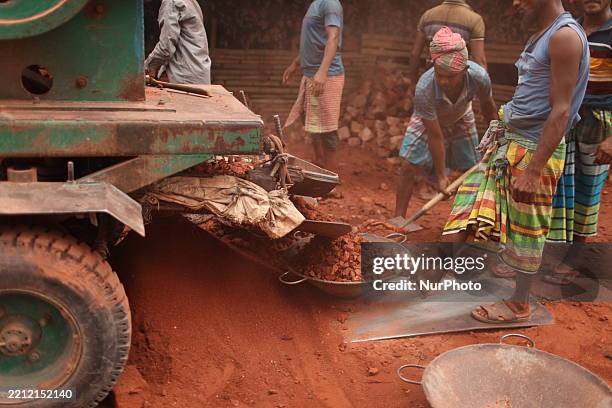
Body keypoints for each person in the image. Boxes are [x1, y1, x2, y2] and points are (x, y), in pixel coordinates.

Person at [442, 0, 590, 323]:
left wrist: (534, 169)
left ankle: (519, 304)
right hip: (512, 142)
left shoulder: (564, 37)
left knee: (526, 229)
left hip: (533, 149)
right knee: (480, 210)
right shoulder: (543, 34)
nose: (515, 4)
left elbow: (562, 110)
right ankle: (474, 272)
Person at [390, 27, 498, 228]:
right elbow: (435, 136)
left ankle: (466, 222)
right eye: (440, 74)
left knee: (472, 168)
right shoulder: (425, 88)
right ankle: (398, 219)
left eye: (450, 76)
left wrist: (496, 135)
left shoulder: (479, 77)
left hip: (461, 115)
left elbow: (488, 107)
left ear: (464, 70)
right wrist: (441, 175)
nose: (444, 81)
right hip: (429, 119)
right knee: (408, 165)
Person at [544, 0, 612, 284]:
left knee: (588, 188)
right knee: (557, 183)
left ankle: (573, 257)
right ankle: (547, 250)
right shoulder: (569, 28)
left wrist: (611, 139)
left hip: (599, 121)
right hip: (566, 116)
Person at [283, 0, 345, 171]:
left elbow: (333, 37)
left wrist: (323, 72)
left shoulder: (330, 4)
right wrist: (296, 64)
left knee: (327, 128)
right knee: (309, 120)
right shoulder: (316, 4)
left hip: (328, 75)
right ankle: (319, 162)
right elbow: (311, 41)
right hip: (311, 74)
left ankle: (330, 178)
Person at [408, 0, 487, 94]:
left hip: (431, 80)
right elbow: (479, 59)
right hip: (458, 84)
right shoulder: (474, 20)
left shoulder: (428, 15)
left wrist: (413, 82)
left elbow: (415, 54)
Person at [145, 0, 212, 85]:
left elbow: (166, 48)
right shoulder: (191, 2)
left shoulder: (171, 2)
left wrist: (145, 67)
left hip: (185, 76)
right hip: (199, 72)